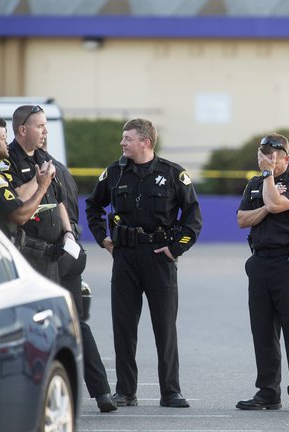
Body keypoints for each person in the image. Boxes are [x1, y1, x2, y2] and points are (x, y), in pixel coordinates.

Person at [85, 118, 202, 408]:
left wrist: (176, 249)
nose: (122, 143)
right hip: (124, 257)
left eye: (127, 138)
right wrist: (102, 238)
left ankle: (170, 391)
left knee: (165, 327)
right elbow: (93, 205)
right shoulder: (114, 172)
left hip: (158, 258)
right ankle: (125, 391)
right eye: (123, 138)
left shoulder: (173, 174)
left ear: (145, 142)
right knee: (124, 326)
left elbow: (193, 218)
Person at [236, 133, 289, 413]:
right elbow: (242, 219)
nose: (267, 157)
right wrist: (265, 206)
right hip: (259, 262)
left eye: (273, 153)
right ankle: (268, 392)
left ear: (286, 157)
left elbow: (279, 204)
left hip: (288, 262)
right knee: (263, 331)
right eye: (264, 152)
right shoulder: (254, 184)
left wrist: (269, 179)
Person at [40, 132, 117, 413]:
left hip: (48, 254)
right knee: (76, 324)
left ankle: (46, 390)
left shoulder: (40, 171)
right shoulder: (60, 168)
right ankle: (102, 392)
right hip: (70, 250)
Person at [0, 105, 73, 282]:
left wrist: (68, 231)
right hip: (27, 252)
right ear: (23, 130)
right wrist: (39, 178)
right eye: (40, 126)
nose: (45, 131)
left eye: (45, 125)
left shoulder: (43, 156)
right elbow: (19, 199)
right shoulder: (7, 160)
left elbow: (59, 200)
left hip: (52, 253)